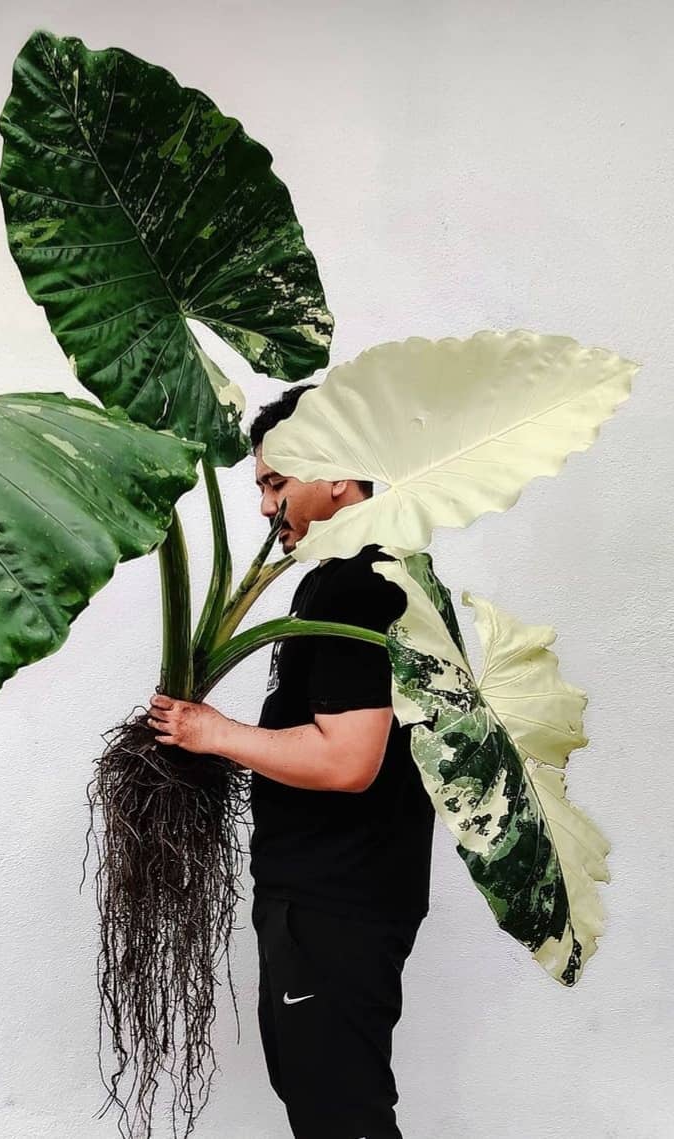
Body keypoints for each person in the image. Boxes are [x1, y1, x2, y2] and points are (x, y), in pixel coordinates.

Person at [146, 384, 435, 1139]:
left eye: (276, 483)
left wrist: (212, 732)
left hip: (335, 900)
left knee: (341, 1114)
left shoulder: (354, 583)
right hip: (331, 895)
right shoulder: (349, 577)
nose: (266, 507)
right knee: (325, 1102)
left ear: (337, 472)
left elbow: (348, 759)